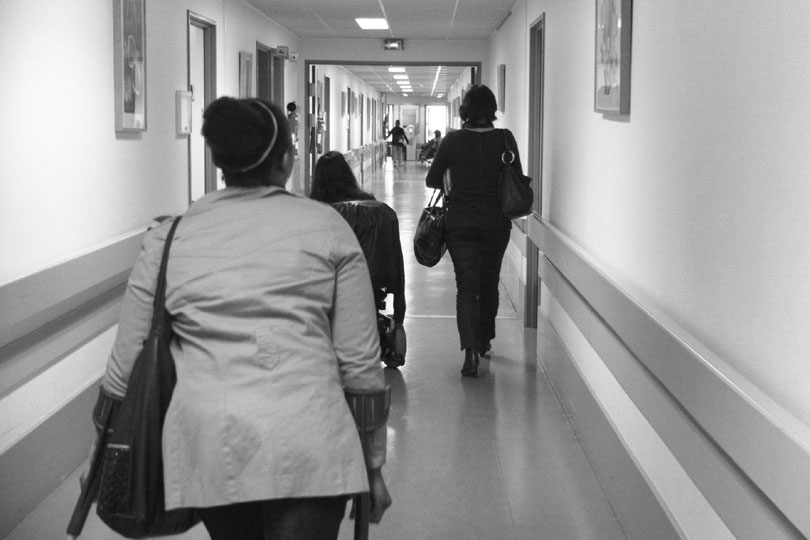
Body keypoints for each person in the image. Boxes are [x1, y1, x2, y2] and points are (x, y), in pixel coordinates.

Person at [98, 97, 391, 539]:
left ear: (221, 163)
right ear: (287, 159)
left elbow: (125, 365)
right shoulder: (330, 228)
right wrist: (372, 465)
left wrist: (99, 457)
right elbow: (361, 364)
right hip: (312, 440)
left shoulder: (169, 237)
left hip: (213, 444)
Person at [424, 85, 523, 378]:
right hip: (496, 224)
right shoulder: (505, 139)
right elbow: (516, 177)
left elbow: (431, 179)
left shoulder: (453, 140)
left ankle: (469, 352)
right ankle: (484, 340)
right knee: (489, 281)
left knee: (466, 286)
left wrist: (453, 175)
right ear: (492, 109)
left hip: (460, 224)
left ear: (465, 110)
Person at [309, 151, 407, 368]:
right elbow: (395, 262)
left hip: (332, 287)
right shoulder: (377, 209)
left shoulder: (318, 214)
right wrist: (399, 314)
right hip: (372, 284)